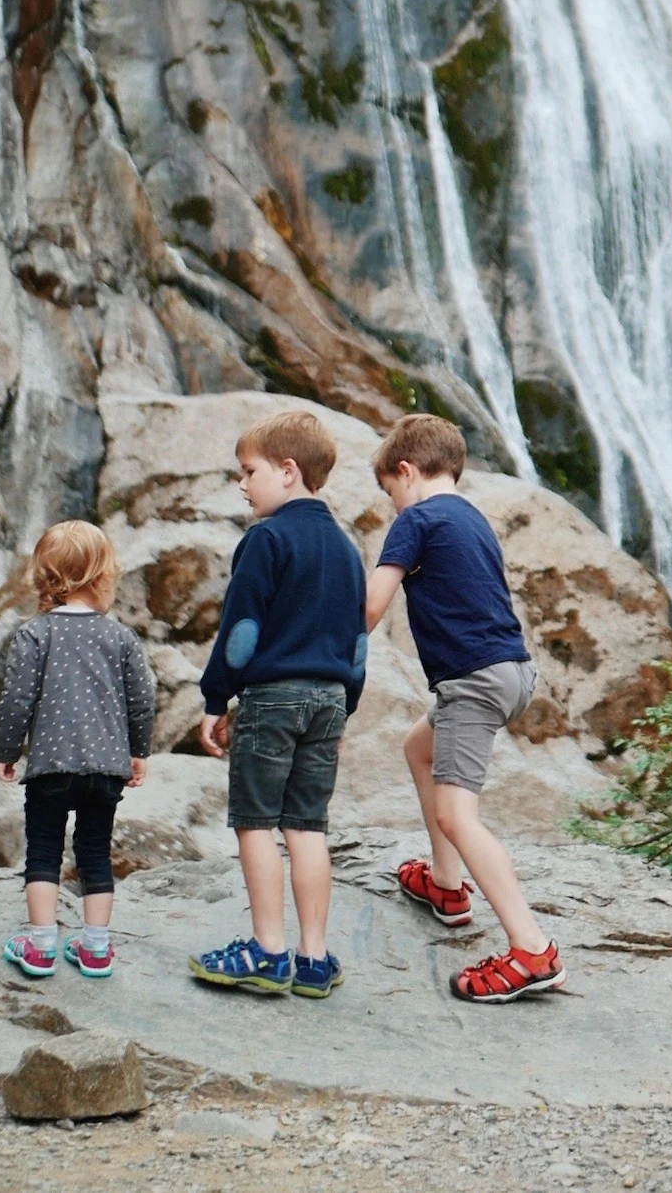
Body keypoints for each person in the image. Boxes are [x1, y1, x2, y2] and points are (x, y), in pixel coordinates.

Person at [366, 414, 565, 1003]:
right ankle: (447, 886)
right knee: (416, 747)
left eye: (388, 492)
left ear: (404, 472)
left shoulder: (416, 520)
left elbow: (369, 610)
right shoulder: (471, 517)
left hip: (472, 682)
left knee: (458, 814)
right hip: (512, 671)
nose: (392, 503)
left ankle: (532, 950)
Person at [190, 410, 366, 998]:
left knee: (257, 824)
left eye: (249, 471)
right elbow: (358, 643)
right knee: (307, 826)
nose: (242, 484)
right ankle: (313, 960)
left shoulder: (265, 538)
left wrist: (216, 698)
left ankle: (267, 952)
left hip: (272, 700)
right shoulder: (345, 548)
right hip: (330, 699)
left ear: (287, 471)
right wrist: (346, 709)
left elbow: (241, 633)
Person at [0, 521, 153, 980]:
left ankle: (41, 946)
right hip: (106, 770)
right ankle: (96, 948)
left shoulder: (35, 634)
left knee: (43, 851)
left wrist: (7, 750)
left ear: (46, 581)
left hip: (50, 769)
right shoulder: (121, 637)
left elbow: (17, 699)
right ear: (103, 578)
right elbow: (140, 700)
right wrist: (137, 751)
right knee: (95, 852)